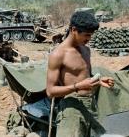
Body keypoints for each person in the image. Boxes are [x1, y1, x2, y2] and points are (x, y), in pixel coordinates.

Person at [46, 8, 114, 137]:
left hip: (91, 106)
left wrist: (98, 81)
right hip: (72, 108)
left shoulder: (86, 50)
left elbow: (84, 77)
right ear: (74, 30)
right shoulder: (58, 54)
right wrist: (77, 87)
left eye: (91, 34)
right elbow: (50, 91)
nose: (89, 38)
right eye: (87, 35)